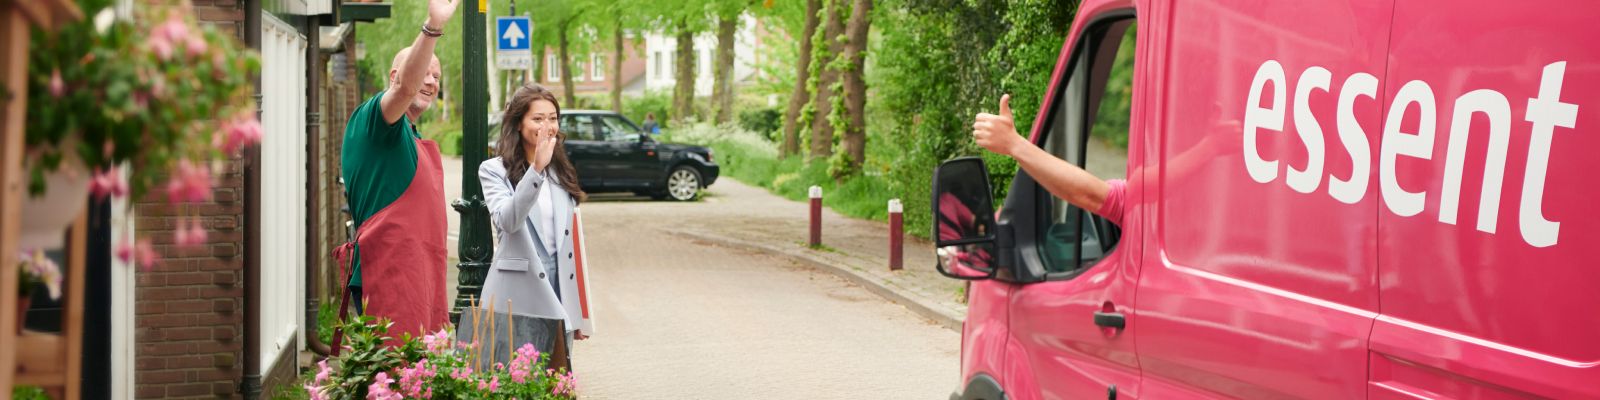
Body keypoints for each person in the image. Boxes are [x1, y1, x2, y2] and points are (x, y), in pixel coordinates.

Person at [334, 0, 460, 345]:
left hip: (422, 286)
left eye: (437, 76)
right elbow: (405, 88)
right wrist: (433, 28)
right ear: (394, 76)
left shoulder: (414, 136)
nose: (431, 81)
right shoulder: (376, 121)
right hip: (388, 281)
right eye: (425, 72)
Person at [457, 83, 590, 371]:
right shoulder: (494, 170)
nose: (547, 126)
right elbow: (507, 220)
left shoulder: (561, 170)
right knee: (517, 376)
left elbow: (571, 246)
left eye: (553, 118)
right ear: (519, 124)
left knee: (556, 377)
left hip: (559, 285)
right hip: (518, 290)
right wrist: (536, 171)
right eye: (538, 119)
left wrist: (580, 313)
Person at [971, 94, 1126, 225]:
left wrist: (1014, 144)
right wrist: (1013, 144)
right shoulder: (1142, 196)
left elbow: (1098, 198)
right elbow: (1106, 199)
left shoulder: (1144, 197)